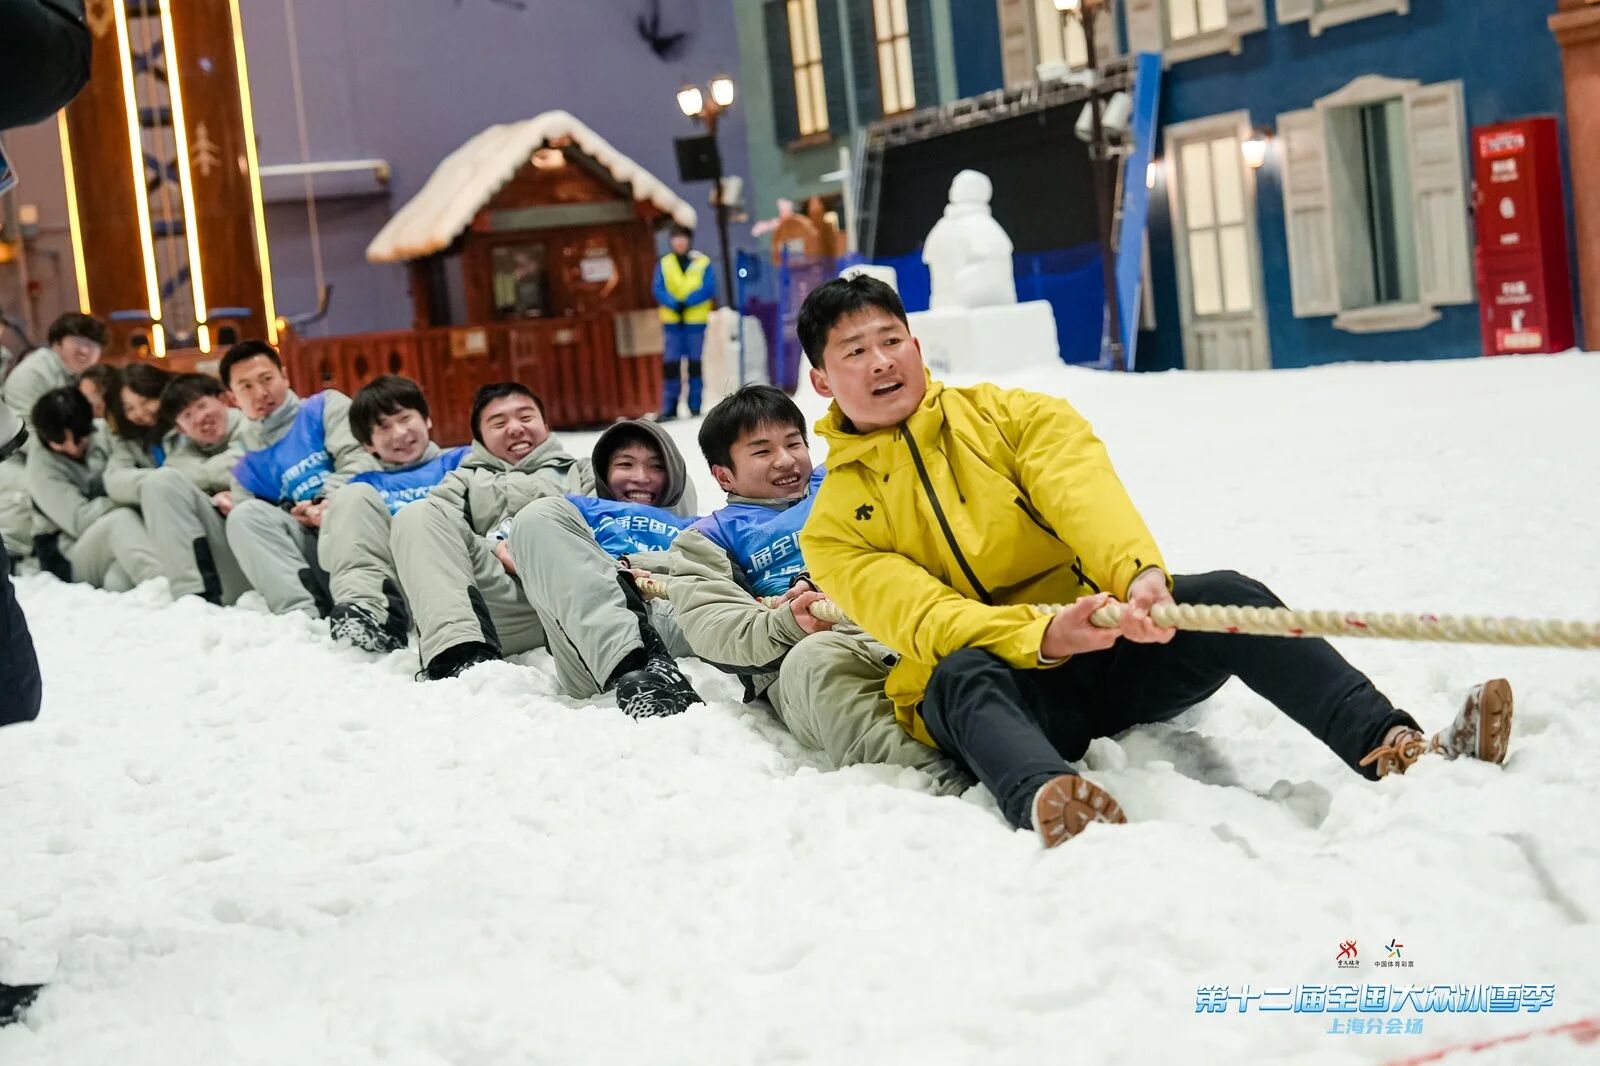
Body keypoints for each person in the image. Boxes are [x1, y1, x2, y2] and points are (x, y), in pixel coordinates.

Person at [795, 275, 1515, 847]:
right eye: (854, 351)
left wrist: (1138, 579)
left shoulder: (1014, 416)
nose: (882, 361)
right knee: (957, 673)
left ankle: (1392, 743)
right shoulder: (831, 528)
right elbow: (927, 619)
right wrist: (1041, 638)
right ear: (824, 380)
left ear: (917, 345)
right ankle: (1060, 810)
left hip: (1105, 645)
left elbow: (1081, 492)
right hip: (1008, 698)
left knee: (1232, 592)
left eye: (892, 339)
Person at [667, 385, 968, 791]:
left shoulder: (844, 477)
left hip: (900, 617)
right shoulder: (706, 539)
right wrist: (785, 624)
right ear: (724, 474)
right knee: (815, 659)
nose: (786, 459)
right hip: (813, 653)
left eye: (794, 443)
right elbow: (714, 627)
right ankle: (944, 782)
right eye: (762, 452)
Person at [497, 418, 701, 717]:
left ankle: (646, 674)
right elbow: (513, 539)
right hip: (596, 634)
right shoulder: (580, 513)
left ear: (675, 475)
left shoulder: (697, 527)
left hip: (678, 613)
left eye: (657, 466)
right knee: (535, 514)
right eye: (625, 464)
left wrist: (636, 564)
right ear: (604, 473)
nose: (641, 477)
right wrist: (614, 573)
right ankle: (634, 669)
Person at [390, 382, 593, 679]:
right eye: (498, 423)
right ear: (480, 439)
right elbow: (436, 533)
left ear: (545, 424)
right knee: (415, 514)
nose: (515, 428)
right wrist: (495, 547)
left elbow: (611, 528)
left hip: (572, 601)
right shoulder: (463, 480)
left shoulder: (581, 471)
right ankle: (459, 654)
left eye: (526, 418)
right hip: (503, 606)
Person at [221, 340, 376, 617]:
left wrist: (325, 500)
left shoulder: (325, 406)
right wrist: (295, 515)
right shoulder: (244, 460)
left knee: (354, 497)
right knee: (243, 516)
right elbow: (257, 531)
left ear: (285, 375)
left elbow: (362, 458)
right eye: (246, 386)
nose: (260, 393)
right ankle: (302, 616)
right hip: (310, 548)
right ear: (232, 398)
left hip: (357, 529)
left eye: (266, 379)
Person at [318, 375, 468, 653]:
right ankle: (373, 614)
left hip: (458, 581)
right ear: (368, 444)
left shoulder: (459, 461)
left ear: (427, 419)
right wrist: (332, 513)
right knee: (350, 497)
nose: (399, 433)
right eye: (383, 427)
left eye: (405, 418)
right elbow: (331, 556)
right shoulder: (362, 485)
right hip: (396, 591)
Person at [25, 387, 160, 590]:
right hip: (68, 553)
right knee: (120, 521)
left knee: (118, 581)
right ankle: (170, 593)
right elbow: (80, 521)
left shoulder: (105, 432)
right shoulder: (40, 467)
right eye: (61, 442)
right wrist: (123, 497)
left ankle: (162, 603)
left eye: (79, 438)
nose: (72, 448)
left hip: (120, 540)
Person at [0, 312, 106, 565]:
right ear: (57, 342)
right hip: (21, 459)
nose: (85, 350)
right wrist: (69, 450)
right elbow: (24, 434)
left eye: (92, 345)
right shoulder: (34, 372)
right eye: (78, 341)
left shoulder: (87, 377)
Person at [652, 223, 715, 421]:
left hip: (695, 322)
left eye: (683, 238)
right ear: (671, 241)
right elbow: (658, 289)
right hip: (673, 323)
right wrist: (674, 304)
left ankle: (695, 405)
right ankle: (669, 406)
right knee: (671, 366)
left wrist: (687, 303)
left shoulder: (702, 262)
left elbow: (709, 287)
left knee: (694, 364)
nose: (679, 242)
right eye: (676, 238)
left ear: (689, 241)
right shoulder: (664, 263)